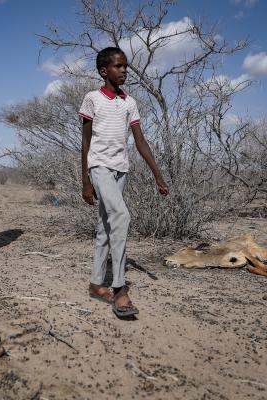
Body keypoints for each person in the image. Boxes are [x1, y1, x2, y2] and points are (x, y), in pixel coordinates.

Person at [79, 47, 169, 318]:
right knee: (122, 216)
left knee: (106, 227)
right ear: (103, 71)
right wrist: (85, 181)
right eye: (119, 66)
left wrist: (157, 174)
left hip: (121, 170)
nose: (124, 71)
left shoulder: (129, 102)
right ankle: (119, 288)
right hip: (99, 167)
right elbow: (85, 143)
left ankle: (96, 284)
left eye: (126, 66)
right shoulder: (92, 99)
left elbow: (140, 140)